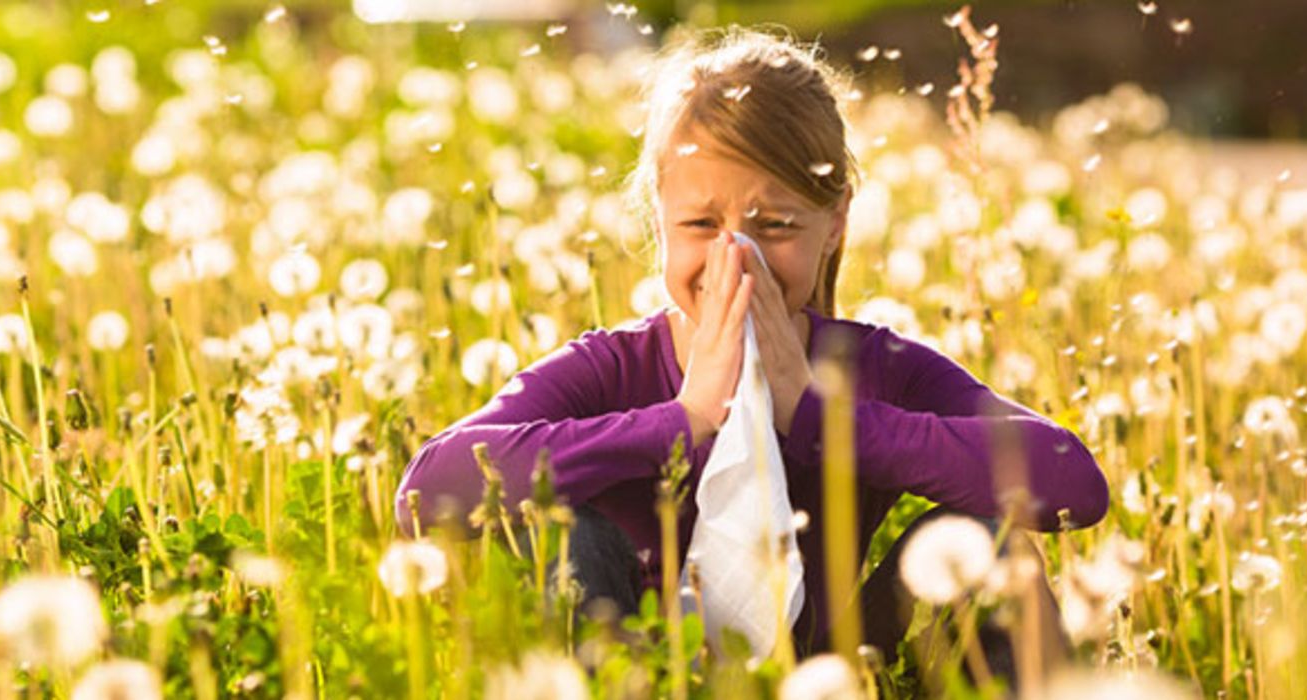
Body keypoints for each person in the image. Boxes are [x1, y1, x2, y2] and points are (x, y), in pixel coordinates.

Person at [394, 25, 1109, 685]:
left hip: (830, 676)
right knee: (563, 536)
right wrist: (683, 419)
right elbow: (427, 491)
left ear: (834, 226)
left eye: (774, 225)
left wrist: (821, 418)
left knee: (988, 545)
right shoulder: (612, 367)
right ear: (658, 221)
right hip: (634, 669)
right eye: (701, 224)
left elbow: (1071, 481)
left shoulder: (874, 367)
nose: (735, 258)